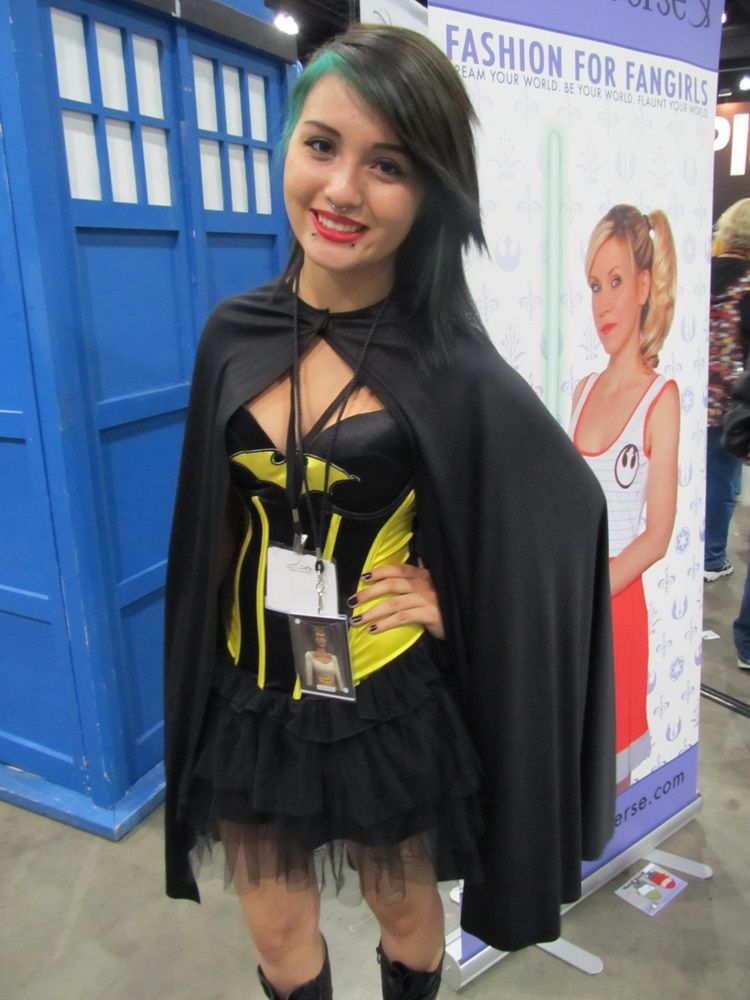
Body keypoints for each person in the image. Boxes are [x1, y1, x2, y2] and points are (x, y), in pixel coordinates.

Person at [164, 25, 615, 1000]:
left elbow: (568, 514)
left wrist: (463, 605)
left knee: (407, 918)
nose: (341, 190)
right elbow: (211, 529)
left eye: (388, 165)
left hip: (381, 696)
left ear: (430, 192)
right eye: (321, 145)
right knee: (277, 930)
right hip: (253, 697)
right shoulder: (231, 336)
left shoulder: (449, 364)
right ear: (288, 144)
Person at [569, 204, 679, 793]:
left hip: (615, 610)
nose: (603, 304)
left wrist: (590, 585)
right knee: (567, 758)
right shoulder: (581, 391)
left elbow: (657, 535)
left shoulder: (662, 398)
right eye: (594, 286)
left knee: (610, 781)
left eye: (615, 281)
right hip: (570, 604)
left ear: (643, 286)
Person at [704, 198, 750, 582]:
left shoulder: (703, 270)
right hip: (730, 399)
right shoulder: (748, 283)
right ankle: (712, 557)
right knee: (723, 481)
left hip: (689, 392)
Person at [304, 628, 347, 693]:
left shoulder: (333, 657)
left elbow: (339, 681)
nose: (321, 640)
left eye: (323, 637)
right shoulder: (309, 655)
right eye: (318, 637)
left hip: (334, 693)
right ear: (314, 639)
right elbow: (309, 681)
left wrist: (343, 694)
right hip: (319, 692)